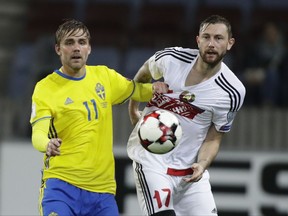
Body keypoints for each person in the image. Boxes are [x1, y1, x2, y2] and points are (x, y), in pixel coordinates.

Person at [29, 19, 168, 216]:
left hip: (102, 192)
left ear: (89, 48)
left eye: (82, 42)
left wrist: (155, 89)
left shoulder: (104, 77)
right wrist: (47, 144)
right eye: (69, 43)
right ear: (58, 49)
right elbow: (38, 134)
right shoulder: (45, 88)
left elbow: (137, 90)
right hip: (61, 185)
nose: (76, 48)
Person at [127, 15, 246, 216]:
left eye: (218, 38)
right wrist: (133, 109)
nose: (211, 44)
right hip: (151, 161)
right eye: (206, 37)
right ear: (197, 40)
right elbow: (144, 73)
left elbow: (214, 137)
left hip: (189, 173)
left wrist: (202, 164)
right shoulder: (170, 58)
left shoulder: (232, 92)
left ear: (229, 43)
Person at [242, 22, 286, 107]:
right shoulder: (258, 47)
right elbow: (252, 63)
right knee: (240, 77)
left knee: (272, 75)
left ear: (278, 33)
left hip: (277, 77)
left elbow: (282, 69)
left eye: (272, 32)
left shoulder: (283, 50)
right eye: (268, 32)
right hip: (259, 73)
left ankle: (268, 103)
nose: (270, 34)